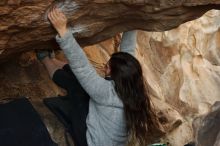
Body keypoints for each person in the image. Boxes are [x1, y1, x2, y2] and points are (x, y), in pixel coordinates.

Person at [38, 7, 160, 146]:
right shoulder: (133, 86)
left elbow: (82, 67)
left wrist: (63, 31)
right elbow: (128, 53)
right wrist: (132, 23)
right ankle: (54, 60)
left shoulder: (106, 93)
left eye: (107, 67)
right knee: (85, 81)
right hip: (107, 138)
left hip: (89, 141)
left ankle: (45, 59)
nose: (104, 66)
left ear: (115, 74)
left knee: (76, 86)